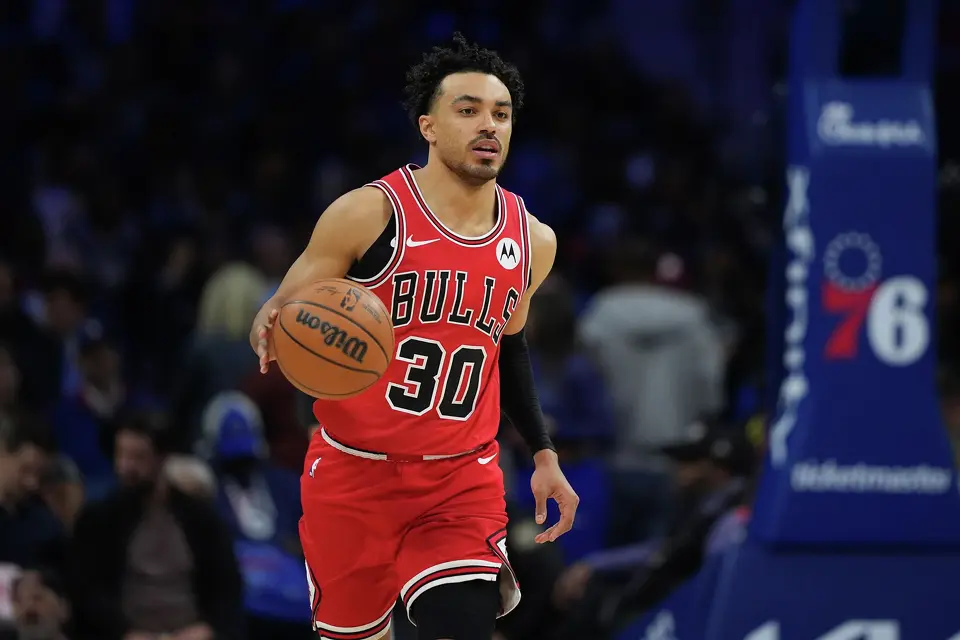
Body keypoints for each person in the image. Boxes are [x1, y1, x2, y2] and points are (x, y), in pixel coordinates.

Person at [250, 33, 579, 640]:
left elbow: (508, 349)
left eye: (501, 115)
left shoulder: (533, 241)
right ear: (428, 126)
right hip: (352, 475)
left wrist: (542, 453)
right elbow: (286, 306)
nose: (489, 126)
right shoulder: (369, 213)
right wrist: (271, 317)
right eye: (469, 110)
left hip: (459, 481)